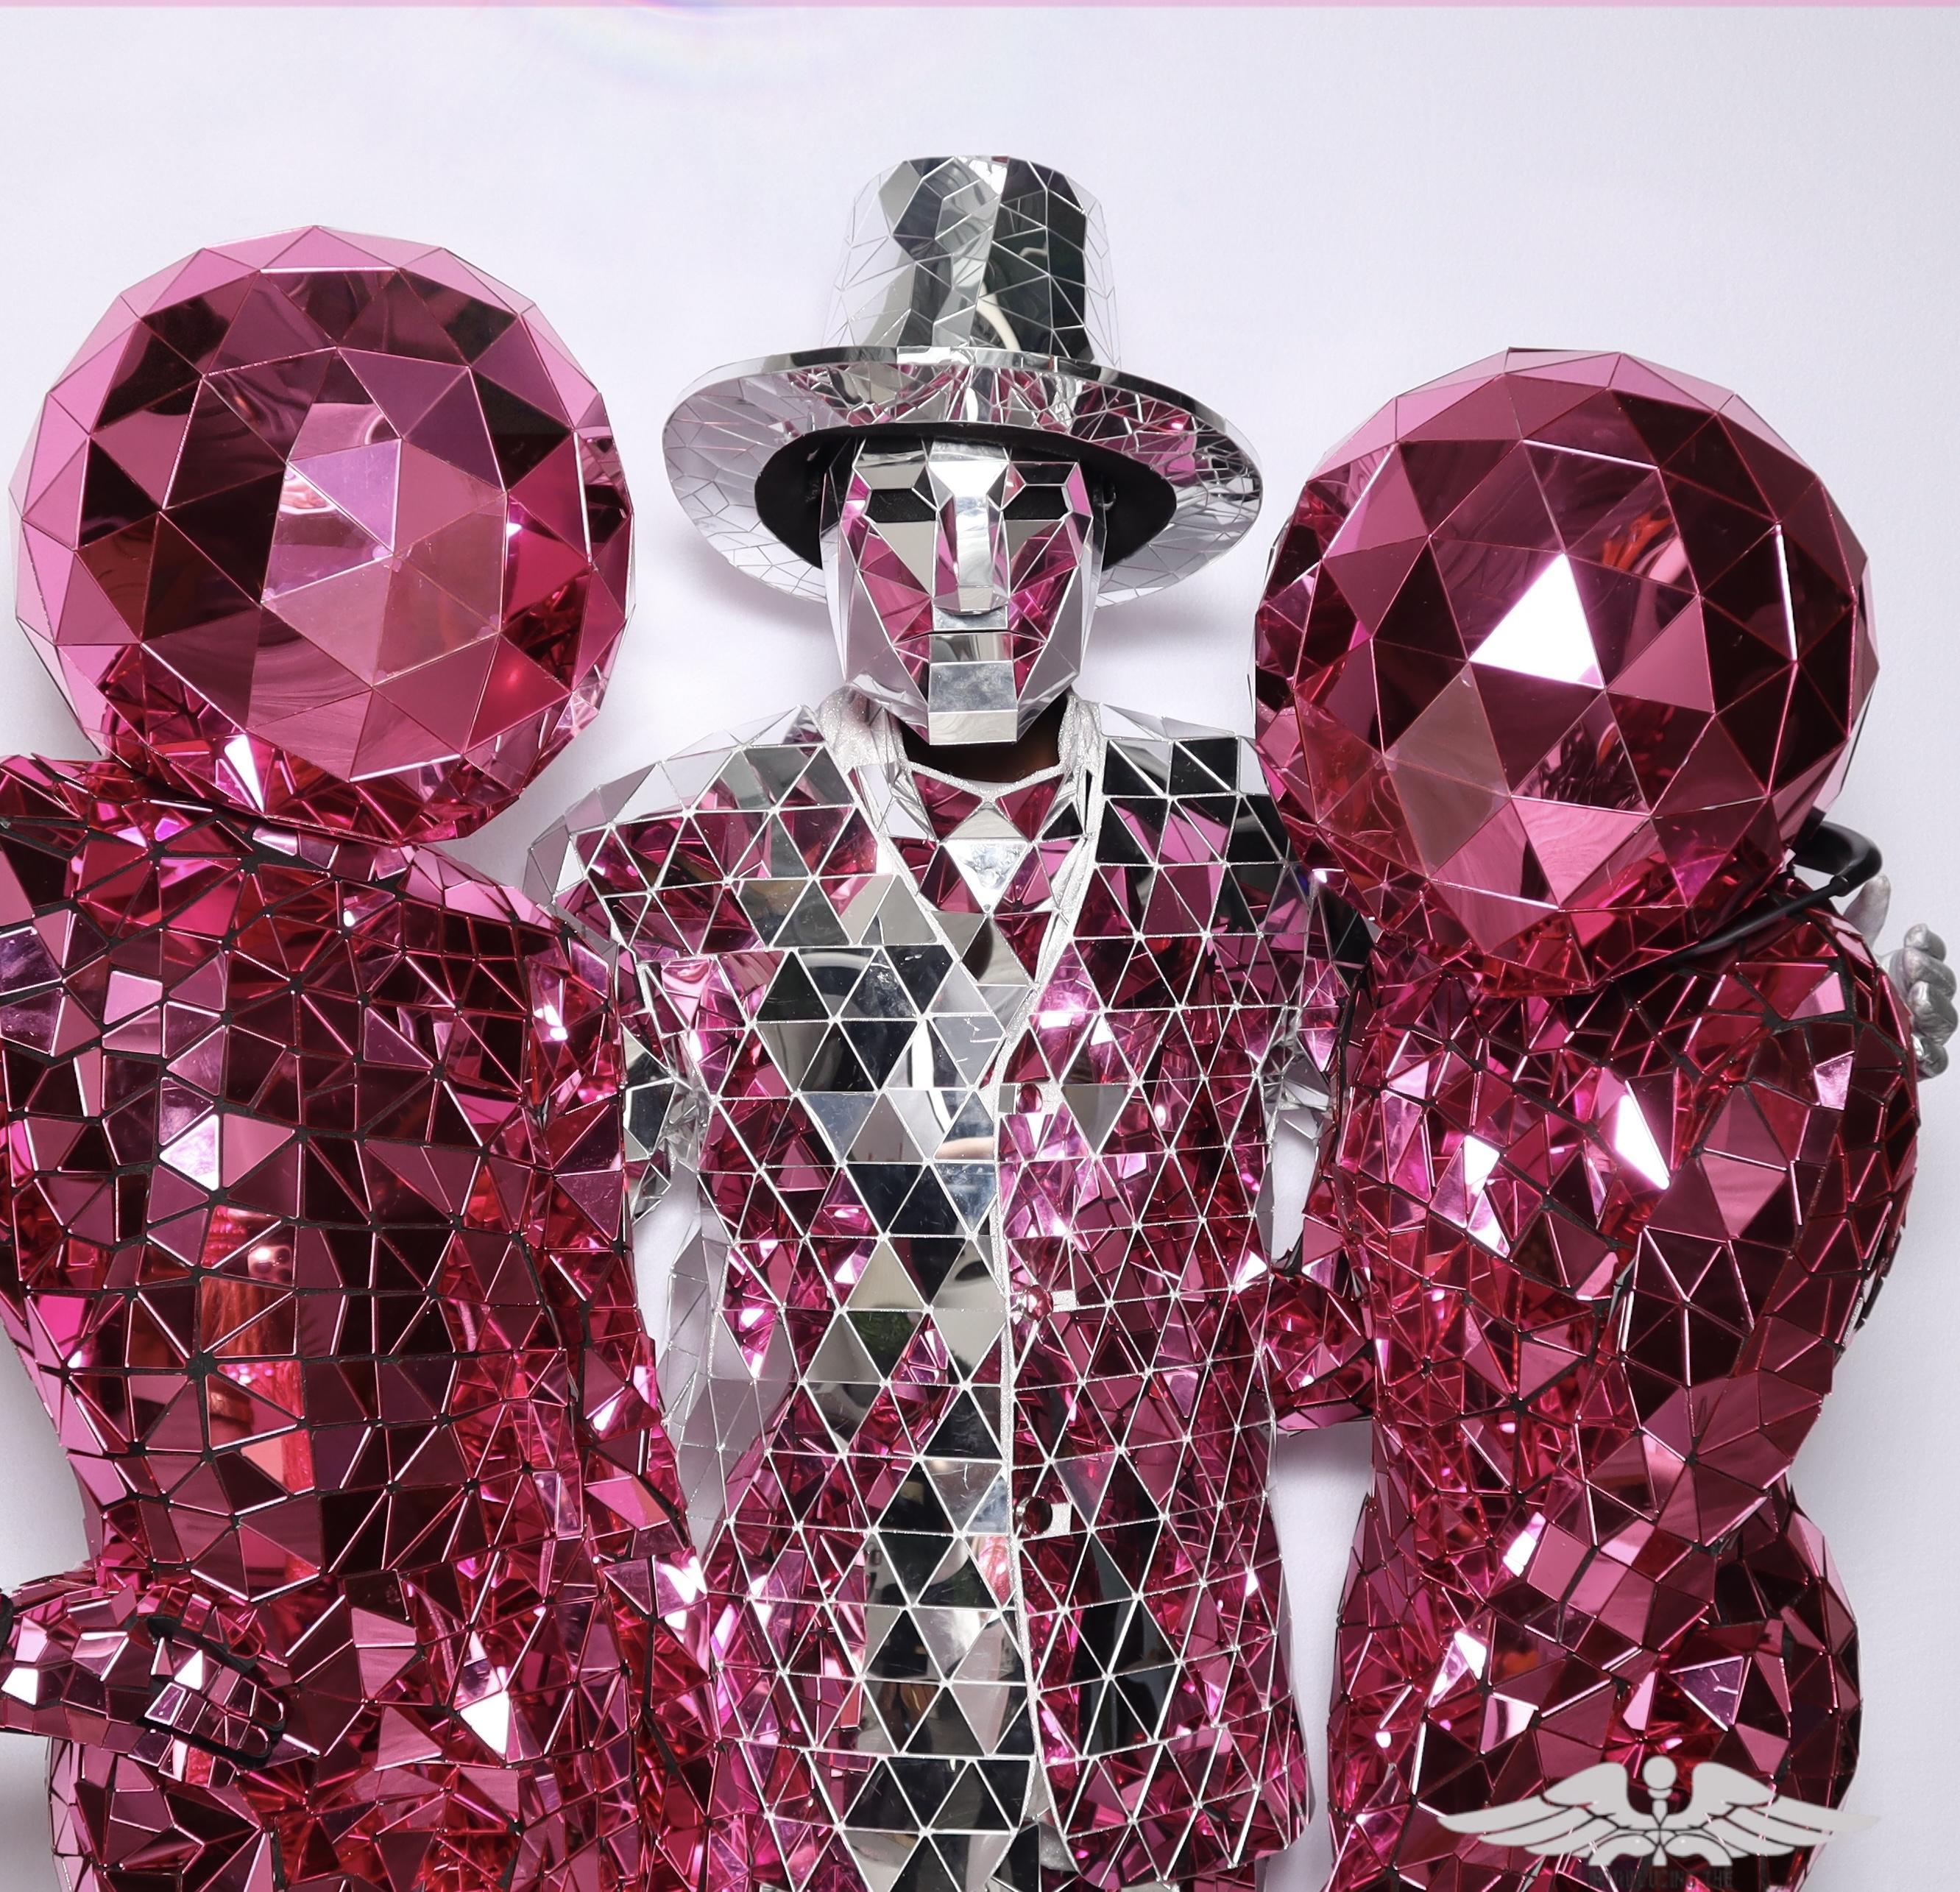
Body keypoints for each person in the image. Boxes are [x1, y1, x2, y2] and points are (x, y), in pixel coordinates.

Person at [531, 156, 1367, 1892]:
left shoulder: (1257, 849)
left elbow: (1463, 1109)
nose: (971, 571)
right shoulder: (672, 861)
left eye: (1028, 509)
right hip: (823, 1706)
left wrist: (1791, 991)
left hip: (1160, 1694)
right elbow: (519, 1254)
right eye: (911, 507)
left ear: (1101, 536)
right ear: (831, 527)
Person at [0, 230, 709, 1891]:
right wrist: (54, 1647)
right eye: (314, 517)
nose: (387, 578)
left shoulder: (532, 973)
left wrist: (668, 1798)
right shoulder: (35, 879)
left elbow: (597, 1430)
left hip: (522, 1770)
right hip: (228, 1776)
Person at [1253, 349, 1948, 1891]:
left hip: (1659, 1715)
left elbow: (1681, 1461)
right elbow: (1356, 1328)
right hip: (1404, 1662)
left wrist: (1467, 1765)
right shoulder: (1431, 966)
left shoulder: (1801, 1022)